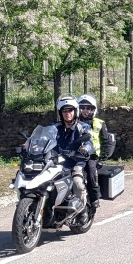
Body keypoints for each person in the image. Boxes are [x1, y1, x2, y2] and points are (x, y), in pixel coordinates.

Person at [54, 96, 93, 225]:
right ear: (60, 113)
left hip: (76, 161)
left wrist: (86, 148)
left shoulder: (83, 127)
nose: (67, 113)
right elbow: (43, 138)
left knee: (77, 182)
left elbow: (89, 142)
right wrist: (29, 144)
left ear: (75, 111)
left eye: (70, 110)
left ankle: (83, 210)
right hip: (57, 162)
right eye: (64, 111)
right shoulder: (55, 127)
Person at [77, 94, 116, 210]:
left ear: (93, 109)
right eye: (82, 107)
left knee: (91, 171)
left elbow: (107, 141)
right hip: (74, 154)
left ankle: (94, 197)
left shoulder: (99, 123)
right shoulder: (73, 122)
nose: (85, 110)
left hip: (92, 156)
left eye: (88, 108)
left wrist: (102, 157)